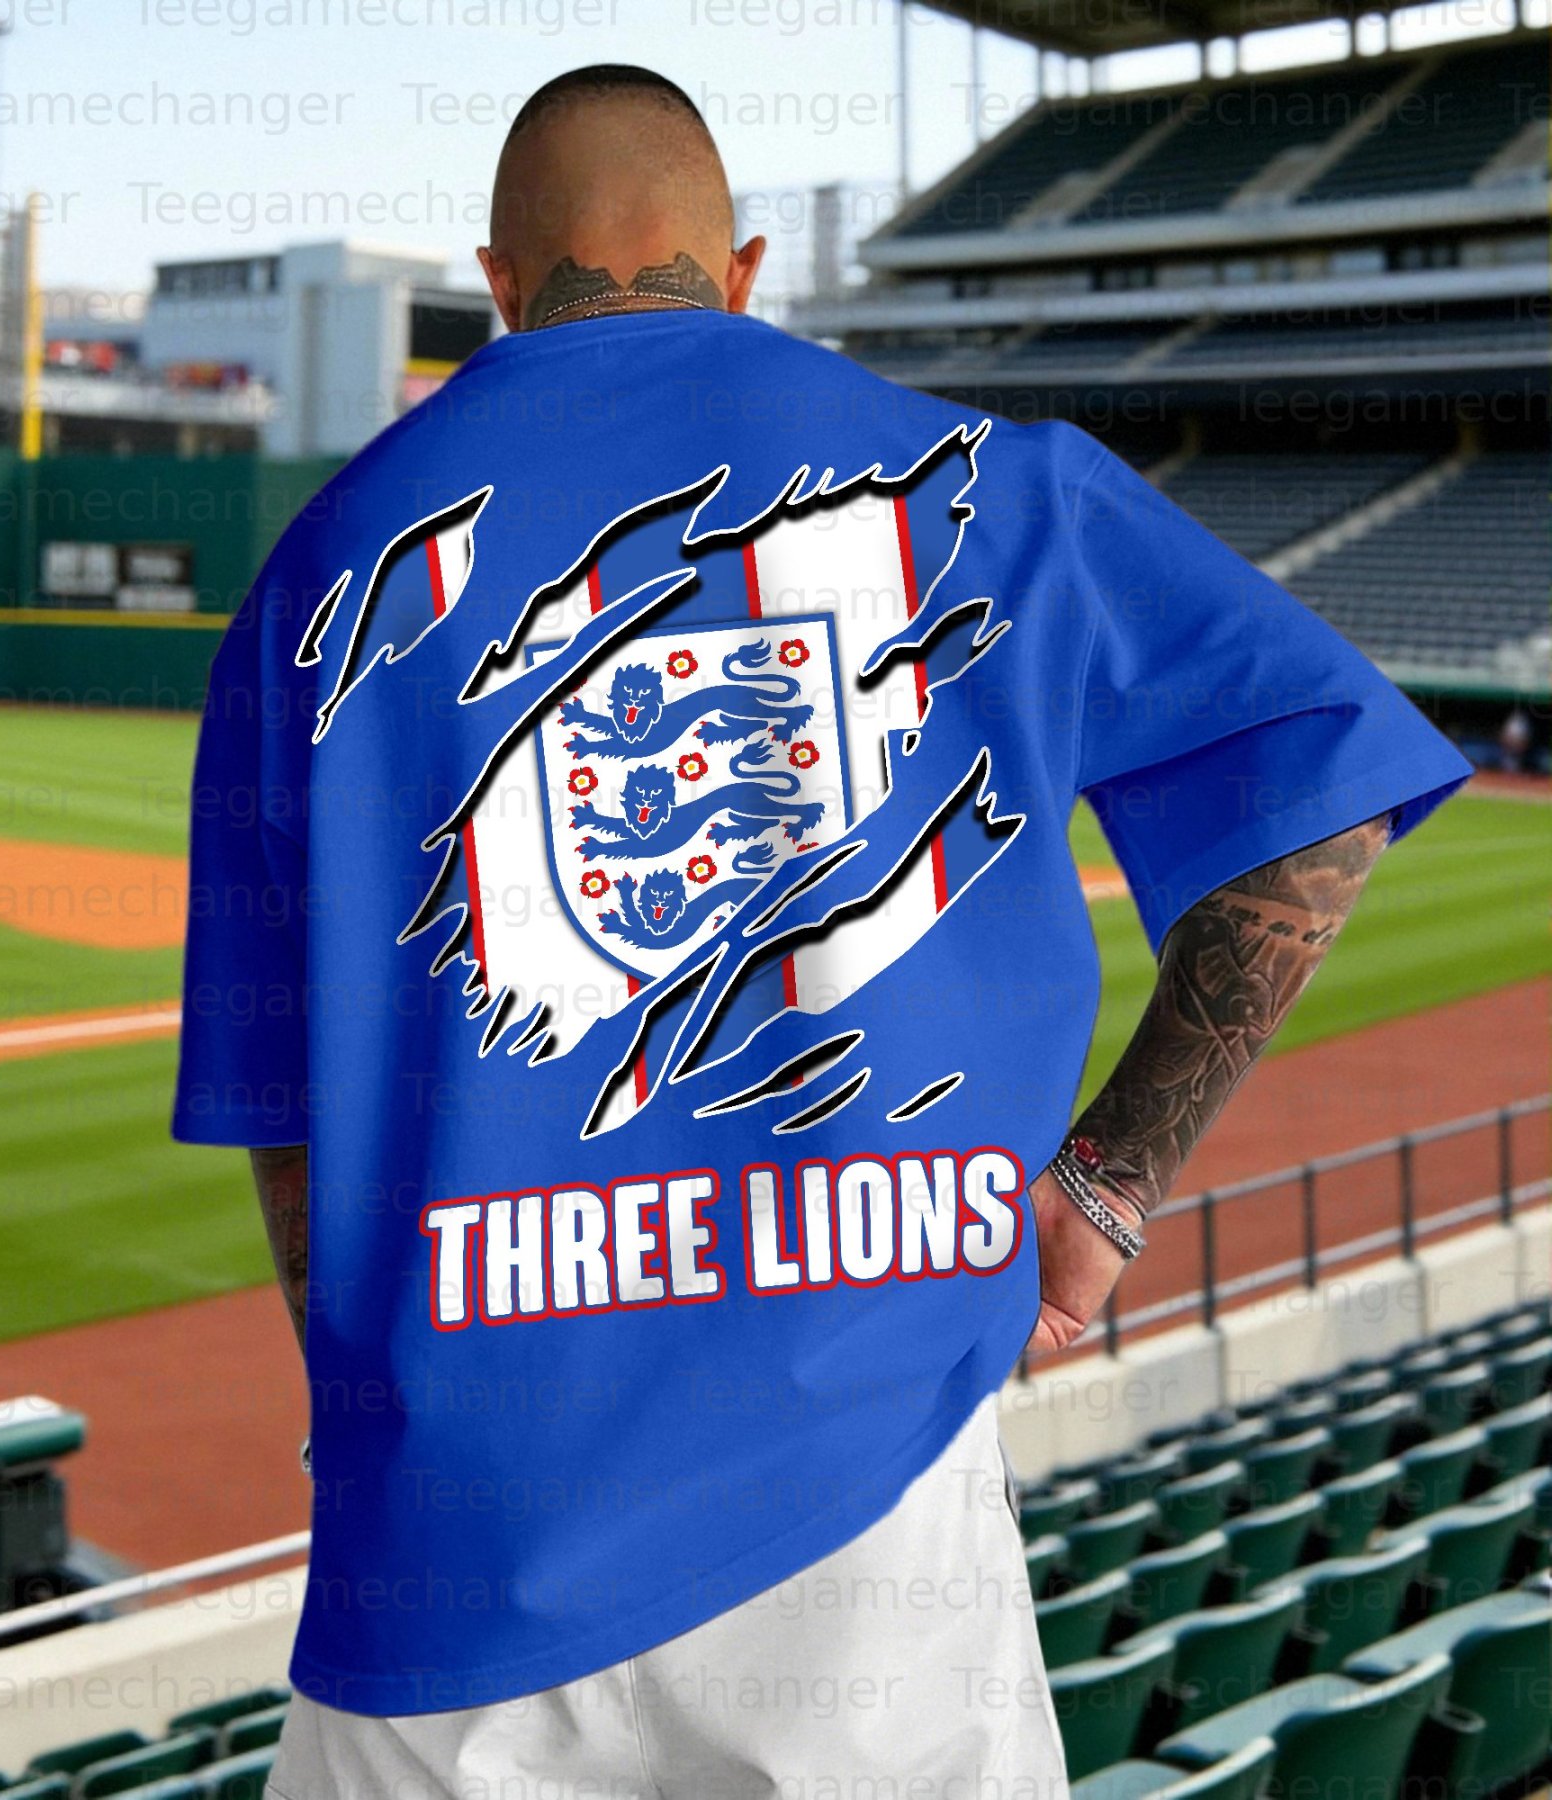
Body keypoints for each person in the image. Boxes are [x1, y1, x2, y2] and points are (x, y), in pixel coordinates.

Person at [173, 65, 1472, 1799]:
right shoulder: (999, 486)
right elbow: (1324, 792)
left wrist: (383, 1419)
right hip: (872, 1533)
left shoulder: (316, 579)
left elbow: (286, 1121)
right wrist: (1105, 1188)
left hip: (455, 1549)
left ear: (496, 279)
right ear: (744, 271)